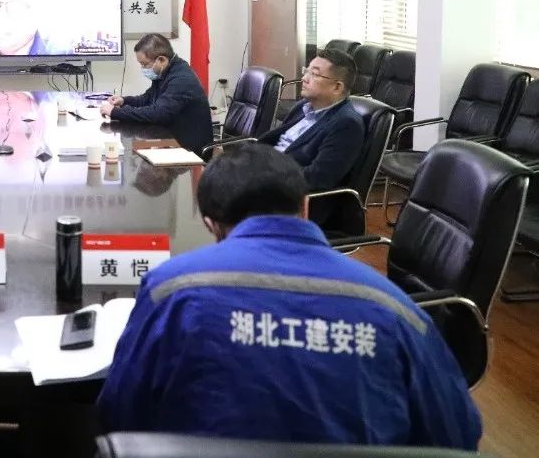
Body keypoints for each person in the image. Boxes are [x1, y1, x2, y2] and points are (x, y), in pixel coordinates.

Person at [97, 143, 482, 448]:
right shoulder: (393, 307)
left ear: (210, 224)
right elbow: (456, 435)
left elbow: (120, 412)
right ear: (306, 206)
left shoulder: (170, 288)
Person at [258, 48, 365, 192]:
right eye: (306, 71)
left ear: (337, 87)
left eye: (314, 74)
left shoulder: (347, 125)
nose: (304, 78)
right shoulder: (303, 106)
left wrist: (266, 176)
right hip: (264, 167)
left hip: (284, 192)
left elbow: (317, 179)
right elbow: (278, 142)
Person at [100, 33, 213, 154]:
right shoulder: (166, 72)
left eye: (144, 64)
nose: (143, 68)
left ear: (161, 60)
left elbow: (158, 113)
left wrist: (115, 112)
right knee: (133, 147)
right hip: (170, 139)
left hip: (189, 149)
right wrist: (124, 101)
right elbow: (147, 99)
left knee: (133, 152)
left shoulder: (181, 79)